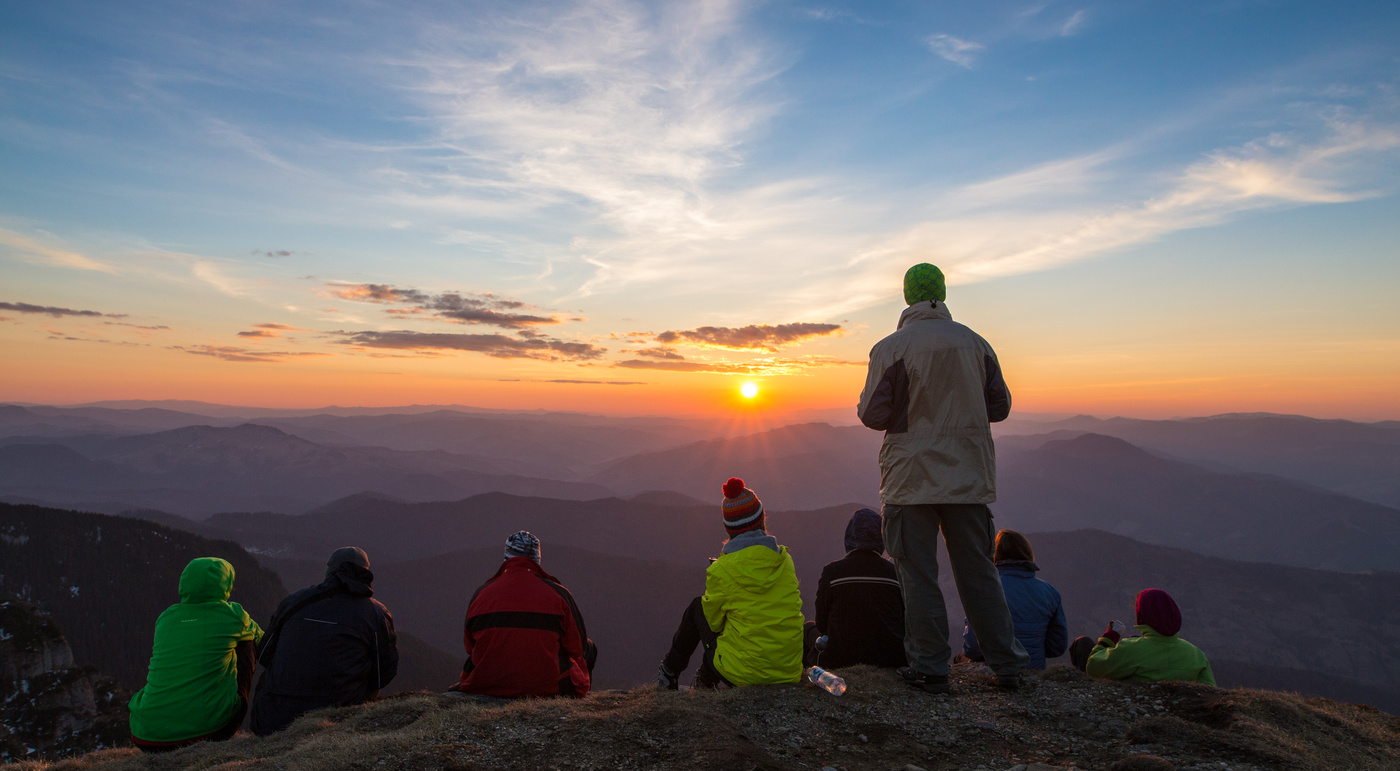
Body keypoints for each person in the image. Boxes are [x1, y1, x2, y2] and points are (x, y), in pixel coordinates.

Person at [857, 262, 1029, 694]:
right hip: (968, 475)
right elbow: (1000, 406)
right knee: (978, 573)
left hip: (909, 479)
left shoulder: (891, 348)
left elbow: (871, 414)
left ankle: (931, 666)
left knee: (917, 575)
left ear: (906, 296)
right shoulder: (976, 344)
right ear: (944, 293)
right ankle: (1008, 664)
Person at [656, 478, 805, 689]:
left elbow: (714, 623)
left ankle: (669, 673)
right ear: (762, 518)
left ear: (728, 529)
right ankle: (704, 680)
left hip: (745, 674)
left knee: (699, 608)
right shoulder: (785, 560)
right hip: (789, 669)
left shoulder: (722, 570)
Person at [250, 547, 399, 736]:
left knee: (271, 672)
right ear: (365, 573)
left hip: (272, 721)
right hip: (336, 721)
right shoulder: (377, 614)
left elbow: (263, 654)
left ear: (329, 571)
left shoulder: (294, 601)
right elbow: (383, 675)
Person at [128, 557, 264, 752]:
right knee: (247, 642)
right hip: (210, 731)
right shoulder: (233, 614)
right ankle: (224, 711)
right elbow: (265, 642)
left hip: (145, 735)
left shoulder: (166, 617)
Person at [450, 531, 597, 698]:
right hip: (548, 688)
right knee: (589, 648)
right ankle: (579, 702)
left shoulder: (481, 594)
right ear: (537, 560)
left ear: (506, 558)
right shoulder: (558, 594)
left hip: (486, 684)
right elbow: (577, 648)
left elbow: (470, 647)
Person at [805, 507, 906, 669]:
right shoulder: (896, 574)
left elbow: (822, 625)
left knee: (808, 628)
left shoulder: (832, 572)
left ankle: (809, 680)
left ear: (849, 537)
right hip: (892, 659)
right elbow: (905, 622)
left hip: (840, 659)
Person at [961, 530, 1068, 670]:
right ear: (1027, 553)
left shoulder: (984, 589)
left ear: (995, 554)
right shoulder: (1050, 593)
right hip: (1033, 670)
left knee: (960, 658)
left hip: (994, 672)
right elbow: (1057, 647)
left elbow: (973, 649)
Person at [1071, 588, 1216, 685]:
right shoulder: (1196, 655)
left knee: (1083, 643)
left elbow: (1094, 667)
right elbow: (1209, 689)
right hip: (1176, 710)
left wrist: (1110, 636)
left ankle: (1081, 693)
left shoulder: (1132, 648)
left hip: (1133, 705)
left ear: (1142, 617)